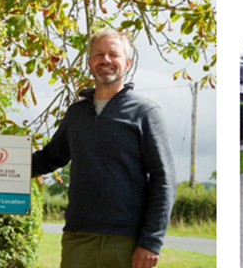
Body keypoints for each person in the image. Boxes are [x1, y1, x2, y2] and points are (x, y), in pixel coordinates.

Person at [31, 28, 177, 268]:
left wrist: (151, 241)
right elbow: (47, 159)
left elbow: (164, 180)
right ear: (90, 62)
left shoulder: (146, 113)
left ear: (127, 63)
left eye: (113, 54)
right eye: (98, 55)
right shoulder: (76, 114)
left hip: (126, 240)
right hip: (78, 236)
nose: (105, 60)